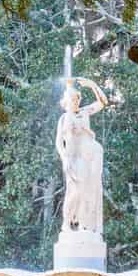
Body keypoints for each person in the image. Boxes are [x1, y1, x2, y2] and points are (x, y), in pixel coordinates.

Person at [55, 77, 110, 234]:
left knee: (89, 191)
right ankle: (66, 223)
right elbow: (59, 142)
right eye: (71, 99)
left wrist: (92, 84)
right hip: (74, 158)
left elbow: (103, 102)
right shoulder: (64, 119)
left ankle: (84, 224)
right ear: (65, 102)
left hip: (90, 156)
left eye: (77, 98)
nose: (75, 102)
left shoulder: (85, 112)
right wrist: (64, 157)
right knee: (74, 192)